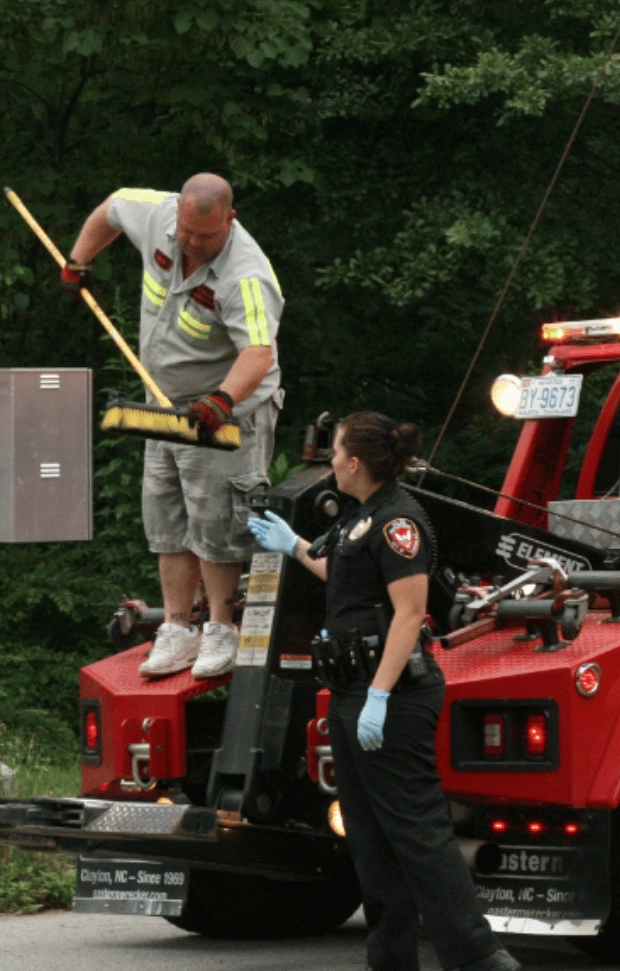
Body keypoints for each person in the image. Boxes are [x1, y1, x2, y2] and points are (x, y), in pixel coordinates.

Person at [248, 413, 520, 971]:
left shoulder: (399, 521)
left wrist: (379, 695)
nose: (329, 461)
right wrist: (294, 543)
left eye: (335, 452)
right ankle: (391, 960)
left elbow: (410, 613)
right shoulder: (359, 518)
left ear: (355, 462)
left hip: (391, 698)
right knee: (370, 843)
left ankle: (479, 958)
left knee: (419, 837)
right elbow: (339, 573)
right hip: (353, 693)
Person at [65, 173, 284, 680]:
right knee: (166, 519)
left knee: (216, 523)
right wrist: (79, 261)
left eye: (204, 236)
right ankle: (178, 629)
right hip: (163, 406)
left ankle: (222, 629)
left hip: (225, 413)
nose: (191, 242)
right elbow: (114, 205)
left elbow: (257, 352)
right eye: (186, 231)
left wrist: (224, 399)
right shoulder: (162, 215)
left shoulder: (247, 275)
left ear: (229, 220)